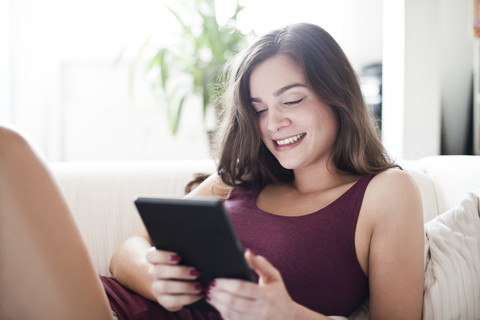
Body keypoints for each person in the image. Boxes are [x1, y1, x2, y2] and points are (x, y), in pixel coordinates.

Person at [0, 23, 424, 319]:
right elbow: (129, 247)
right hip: (112, 305)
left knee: (7, 151)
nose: (272, 123)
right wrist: (155, 279)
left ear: (338, 96)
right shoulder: (241, 179)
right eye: (258, 109)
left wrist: (287, 315)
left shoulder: (386, 192)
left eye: (292, 100)